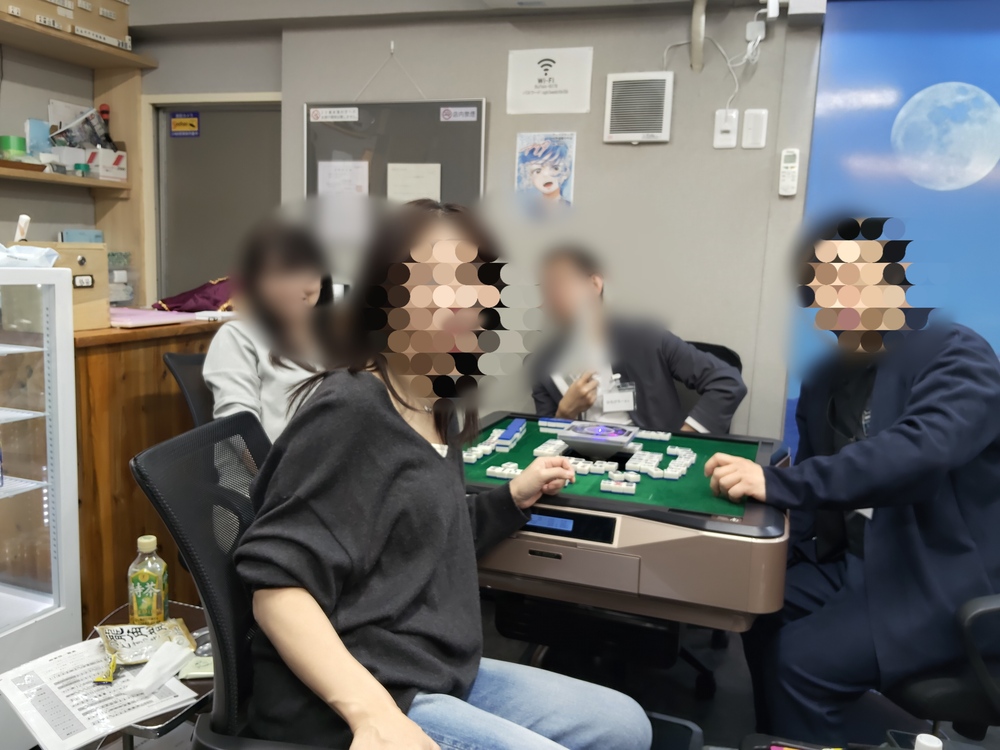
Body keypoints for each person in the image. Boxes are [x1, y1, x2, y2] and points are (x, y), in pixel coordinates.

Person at [234, 200, 653, 750]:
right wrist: (372, 715)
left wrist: (510, 498)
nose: (464, 302)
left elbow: (424, 536)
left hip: (430, 667)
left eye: (476, 282)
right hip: (353, 697)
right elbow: (277, 589)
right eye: (436, 283)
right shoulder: (350, 410)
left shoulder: (435, 400)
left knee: (626, 724)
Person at [705, 216, 1000, 743]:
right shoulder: (826, 378)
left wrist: (779, 485)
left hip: (931, 575)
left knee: (799, 663)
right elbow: (816, 496)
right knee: (757, 602)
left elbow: (920, 453)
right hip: (853, 561)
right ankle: (783, 738)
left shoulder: (956, 352)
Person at [531, 245, 747, 434]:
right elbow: (545, 441)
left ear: (594, 284)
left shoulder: (647, 339)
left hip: (649, 458)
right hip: (578, 461)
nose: (552, 297)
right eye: (546, 290)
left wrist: (685, 439)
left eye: (560, 284)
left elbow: (727, 382)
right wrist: (565, 413)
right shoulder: (543, 364)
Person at [203, 219, 333, 442]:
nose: (293, 285)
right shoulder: (238, 337)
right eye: (278, 272)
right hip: (273, 463)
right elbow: (236, 435)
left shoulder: (340, 339)